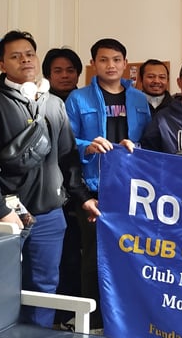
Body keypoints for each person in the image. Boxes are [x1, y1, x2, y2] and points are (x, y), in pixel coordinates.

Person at [0, 30, 98, 328]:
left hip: (50, 216)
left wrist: (83, 198)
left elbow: (67, 158)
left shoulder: (54, 104)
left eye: (29, 54)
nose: (25, 60)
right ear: (1, 65)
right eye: (15, 56)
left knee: (44, 287)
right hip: (5, 215)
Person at [65, 38, 152, 330]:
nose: (110, 65)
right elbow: (66, 141)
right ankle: (93, 321)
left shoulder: (139, 99)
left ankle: (125, 318)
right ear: (93, 64)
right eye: (103, 60)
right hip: (94, 188)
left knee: (129, 255)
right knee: (93, 256)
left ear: (125, 63)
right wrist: (87, 146)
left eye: (116, 59)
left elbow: (149, 142)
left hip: (131, 190)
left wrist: (136, 147)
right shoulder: (78, 99)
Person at [41, 46, 85, 327]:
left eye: (70, 70)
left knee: (80, 257)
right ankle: (56, 316)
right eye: (58, 71)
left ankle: (75, 313)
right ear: (48, 74)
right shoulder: (41, 103)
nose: (65, 75)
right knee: (57, 258)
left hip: (83, 189)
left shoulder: (85, 101)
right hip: (51, 193)